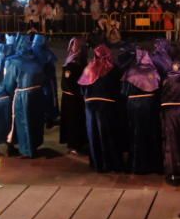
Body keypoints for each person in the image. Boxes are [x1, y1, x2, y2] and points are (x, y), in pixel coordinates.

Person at [79, 44, 125, 172]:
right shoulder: (113, 69)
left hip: (90, 106)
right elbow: (119, 88)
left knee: (93, 134)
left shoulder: (89, 68)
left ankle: (97, 163)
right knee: (109, 135)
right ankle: (111, 163)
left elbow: (82, 87)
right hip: (107, 105)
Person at [5, 36, 47, 158]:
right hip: (37, 94)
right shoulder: (37, 59)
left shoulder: (14, 62)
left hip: (23, 96)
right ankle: (34, 146)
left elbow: (9, 83)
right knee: (35, 121)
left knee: (24, 122)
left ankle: (27, 149)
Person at [123, 48, 162, 174]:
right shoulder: (153, 71)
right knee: (151, 133)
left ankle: (137, 165)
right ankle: (153, 164)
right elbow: (158, 90)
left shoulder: (131, 71)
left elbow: (124, 91)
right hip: (149, 106)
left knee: (135, 134)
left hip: (133, 106)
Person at [60, 37, 89, 154]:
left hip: (77, 96)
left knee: (78, 120)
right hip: (71, 97)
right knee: (73, 120)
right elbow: (67, 82)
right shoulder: (71, 63)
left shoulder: (80, 62)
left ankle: (78, 143)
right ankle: (73, 144)